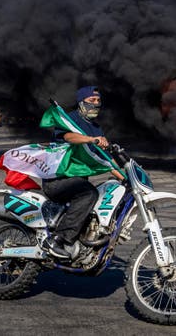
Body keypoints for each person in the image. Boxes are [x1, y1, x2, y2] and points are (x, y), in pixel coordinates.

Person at [41, 86, 124, 259]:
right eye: (92, 100)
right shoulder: (69, 119)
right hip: (57, 180)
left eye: (98, 101)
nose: (96, 104)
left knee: (104, 193)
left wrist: (126, 178)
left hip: (76, 182)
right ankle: (58, 240)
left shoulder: (95, 127)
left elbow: (106, 160)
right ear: (81, 102)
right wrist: (90, 139)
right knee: (88, 194)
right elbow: (68, 137)